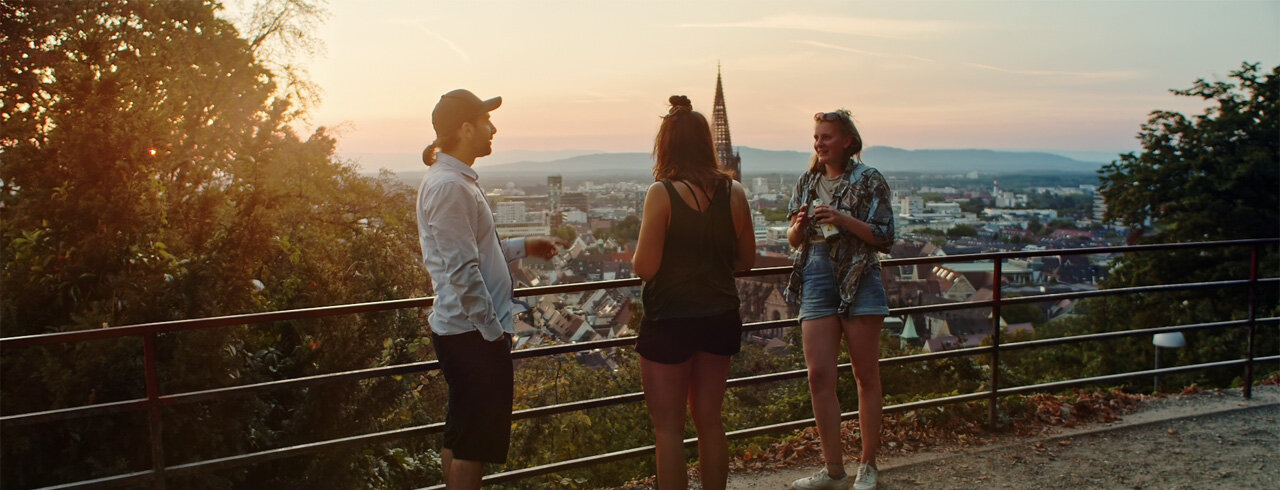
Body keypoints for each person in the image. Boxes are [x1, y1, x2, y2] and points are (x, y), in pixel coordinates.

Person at [416, 89, 566, 490]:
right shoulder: (450, 187)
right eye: (486, 121)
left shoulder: (453, 181)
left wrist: (523, 247)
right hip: (471, 335)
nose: (493, 128)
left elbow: (475, 255)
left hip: (466, 332)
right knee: (473, 444)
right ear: (466, 129)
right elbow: (464, 271)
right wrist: (492, 333)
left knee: (462, 434)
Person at [632, 95, 756, 490]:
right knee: (710, 422)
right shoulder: (734, 192)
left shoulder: (662, 193)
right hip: (720, 316)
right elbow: (746, 261)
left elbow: (644, 267)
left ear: (666, 144)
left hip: (670, 319)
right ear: (707, 143)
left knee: (668, 430)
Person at [785, 110, 894, 490]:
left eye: (826, 137)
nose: (819, 144)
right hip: (815, 270)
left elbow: (884, 236)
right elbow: (793, 239)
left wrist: (842, 219)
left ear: (848, 140)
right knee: (818, 377)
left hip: (858, 272)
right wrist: (797, 228)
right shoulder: (808, 180)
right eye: (816, 137)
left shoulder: (869, 179)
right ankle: (833, 468)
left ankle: (867, 465)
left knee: (865, 375)